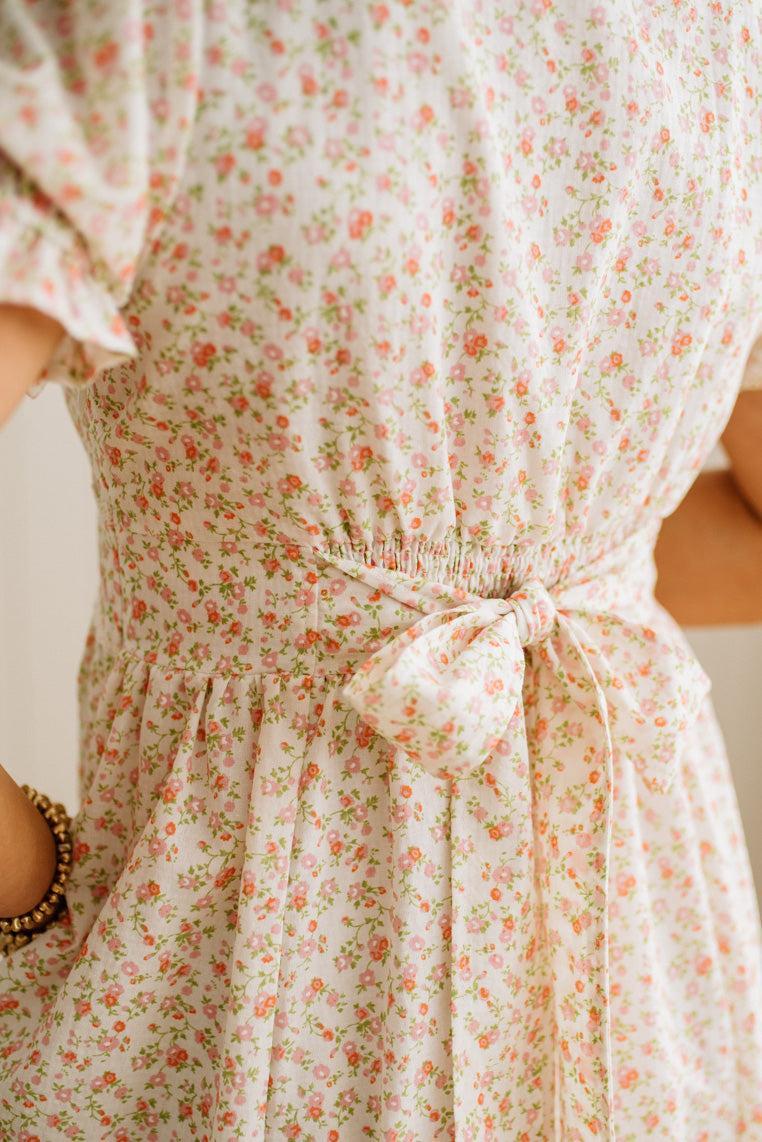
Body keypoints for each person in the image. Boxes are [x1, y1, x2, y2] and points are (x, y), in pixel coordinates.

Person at [1, 0, 761, 1137]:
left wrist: (31, 890)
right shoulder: (725, 34)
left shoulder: (154, 24)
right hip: (648, 971)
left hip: (242, 973)